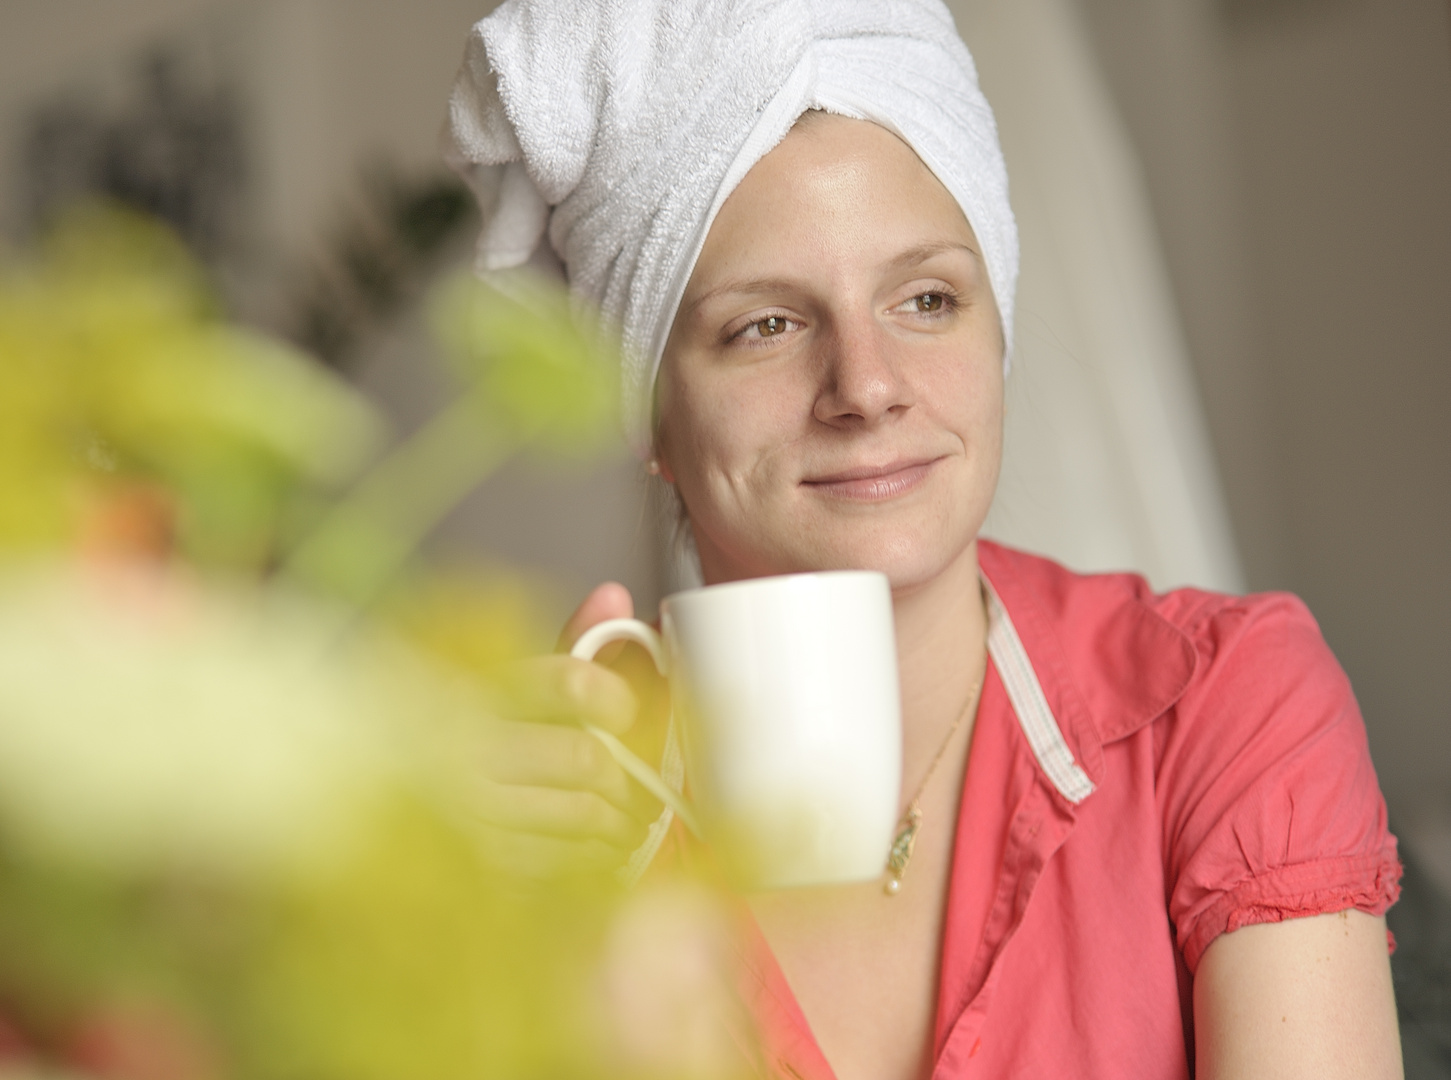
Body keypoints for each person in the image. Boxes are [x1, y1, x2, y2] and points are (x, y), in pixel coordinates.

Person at [444, 1, 1404, 1077]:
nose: (865, 385)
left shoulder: (1221, 710)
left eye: (926, 298)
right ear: (650, 419)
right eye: (764, 324)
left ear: (995, 334)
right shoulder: (550, 818)